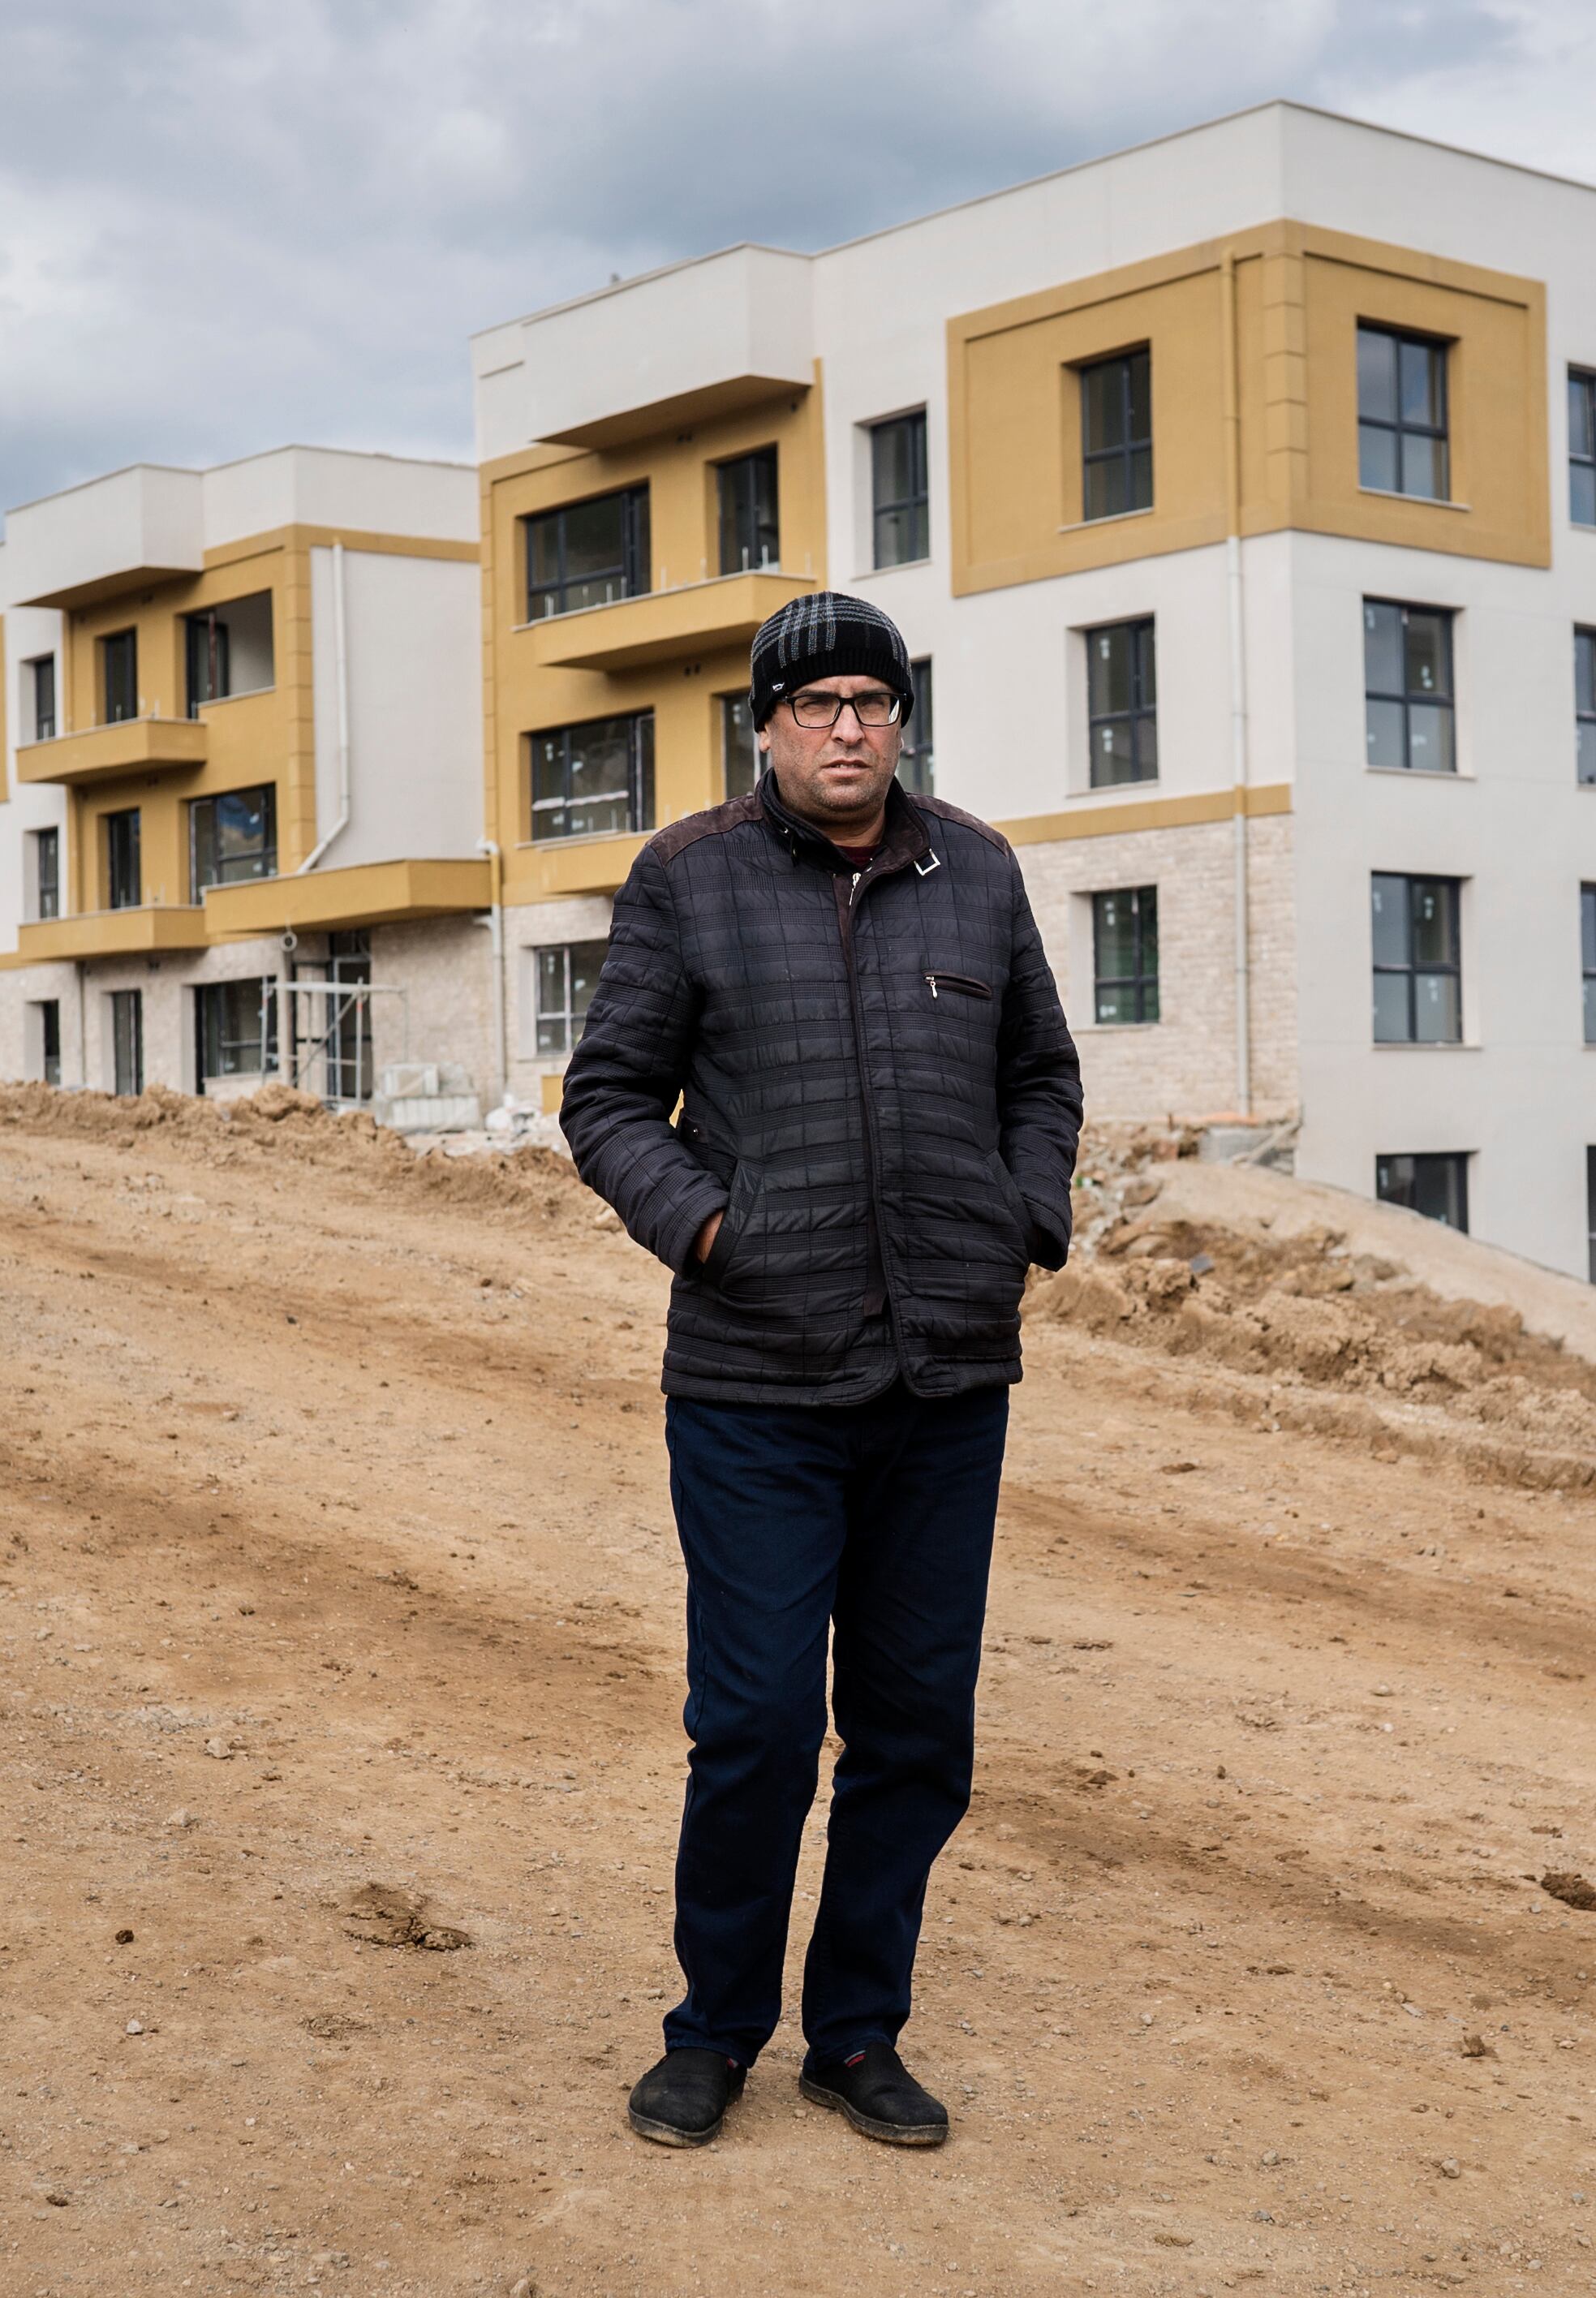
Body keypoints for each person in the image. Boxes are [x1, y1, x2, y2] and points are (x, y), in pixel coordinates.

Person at [560, 591, 1084, 2149]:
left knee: (917, 1731)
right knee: (762, 1725)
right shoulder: (690, 878)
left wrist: (1023, 1215)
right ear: (767, 725)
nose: (847, 728)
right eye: (816, 705)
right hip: (755, 1388)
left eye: (872, 700)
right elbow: (605, 1102)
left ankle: (856, 2035)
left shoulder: (975, 869)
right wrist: (719, 1237)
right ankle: (714, 2029)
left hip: (946, 1381)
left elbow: (1041, 1073)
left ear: (900, 719)